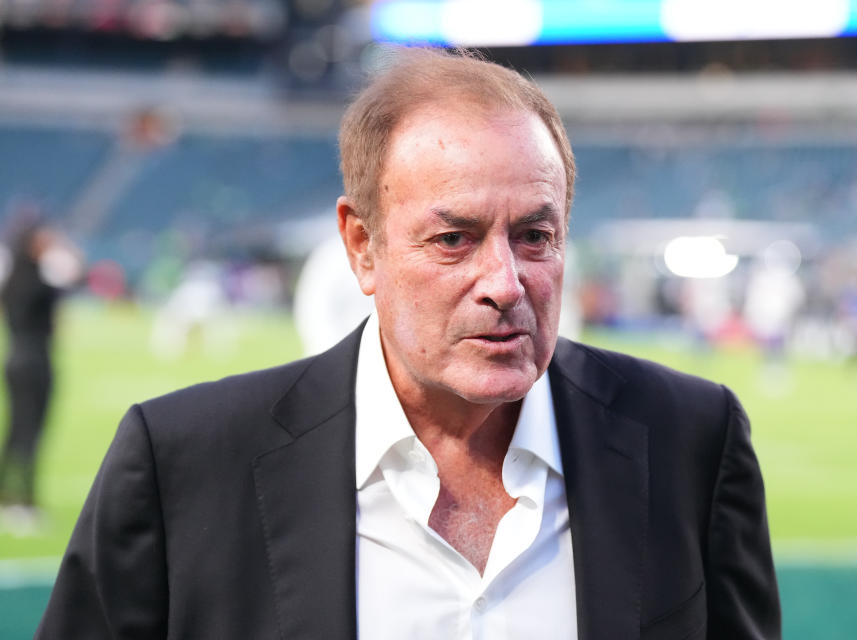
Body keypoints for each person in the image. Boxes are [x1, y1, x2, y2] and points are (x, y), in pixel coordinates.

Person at [37, 48, 780, 639]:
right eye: (454, 239)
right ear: (362, 247)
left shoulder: (691, 440)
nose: (506, 282)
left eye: (535, 236)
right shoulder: (182, 464)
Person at [0, 220, 82, 532]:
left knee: (14, 432)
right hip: (35, 362)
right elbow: (72, 282)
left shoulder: (13, 280)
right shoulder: (36, 281)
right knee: (30, 433)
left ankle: (8, 496)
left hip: (14, 359)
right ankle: (24, 502)